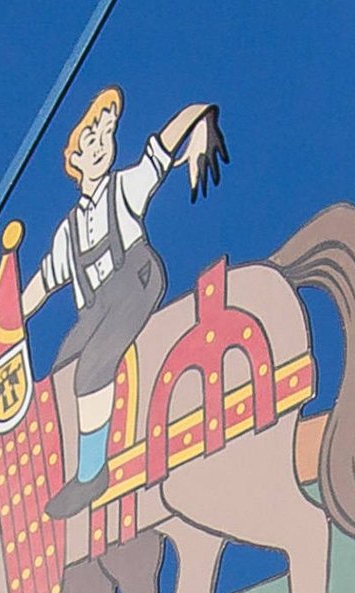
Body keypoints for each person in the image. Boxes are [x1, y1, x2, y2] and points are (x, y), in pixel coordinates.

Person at [23, 86, 227, 520]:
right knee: (61, 367)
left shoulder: (125, 187)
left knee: (92, 366)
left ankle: (92, 473)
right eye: (89, 142)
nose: (100, 148)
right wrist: (6, 322)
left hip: (135, 280)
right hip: (95, 307)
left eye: (105, 137)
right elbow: (43, 282)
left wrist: (202, 114)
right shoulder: (68, 231)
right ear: (73, 160)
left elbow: (162, 146)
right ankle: (87, 450)